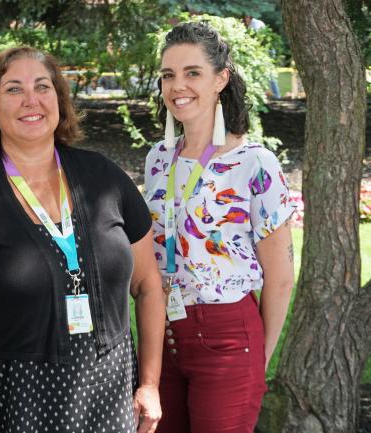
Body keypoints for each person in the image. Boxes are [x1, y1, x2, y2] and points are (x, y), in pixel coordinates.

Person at [0, 46, 166, 433]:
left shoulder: (104, 178)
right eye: (14, 89)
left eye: (42, 87)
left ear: (59, 101)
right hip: (13, 406)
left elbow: (149, 285)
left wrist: (149, 384)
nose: (31, 100)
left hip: (109, 402)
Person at [144, 22, 295, 433]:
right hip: (162, 334)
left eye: (193, 73)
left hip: (228, 338)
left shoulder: (255, 163)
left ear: (220, 79)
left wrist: (256, 361)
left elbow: (280, 279)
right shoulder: (158, 158)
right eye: (168, 75)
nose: (179, 86)